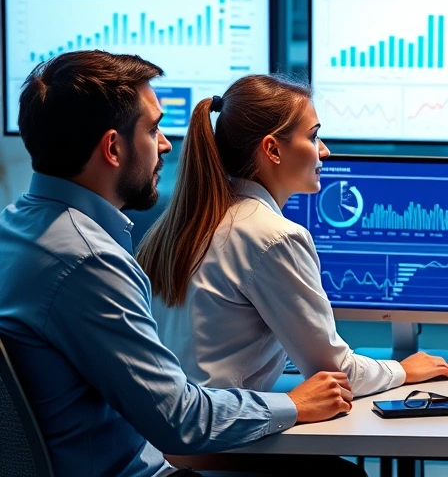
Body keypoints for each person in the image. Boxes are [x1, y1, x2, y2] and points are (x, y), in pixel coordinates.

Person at [0, 51, 353, 477]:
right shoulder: (90, 262)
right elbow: (180, 420)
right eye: (153, 130)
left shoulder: (14, 228)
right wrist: (294, 404)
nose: (166, 143)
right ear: (113, 148)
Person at [137, 74, 448, 399]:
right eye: (314, 137)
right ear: (272, 149)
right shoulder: (273, 236)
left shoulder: (184, 224)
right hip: (223, 440)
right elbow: (337, 372)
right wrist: (404, 370)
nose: (325, 151)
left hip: (177, 433)